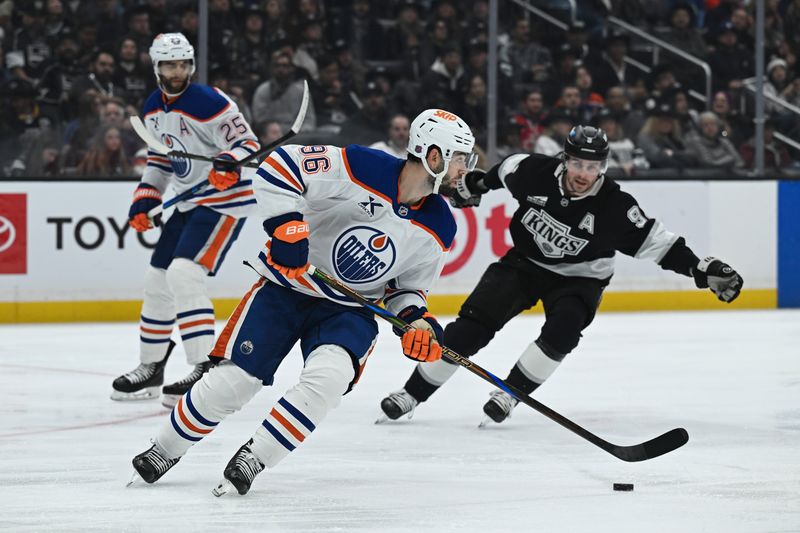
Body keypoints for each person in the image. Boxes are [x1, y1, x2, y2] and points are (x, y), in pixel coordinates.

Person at [128, 108, 477, 496]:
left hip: (351, 310)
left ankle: (255, 457)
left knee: (328, 381)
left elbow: (406, 290)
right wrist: (288, 230)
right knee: (234, 382)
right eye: (461, 158)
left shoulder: (441, 225)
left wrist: (417, 321)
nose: (466, 168)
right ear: (433, 156)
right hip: (286, 289)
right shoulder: (361, 165)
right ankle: (165, 449)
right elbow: (280, 167)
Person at [379, 125, 743, 425]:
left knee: (562, 332)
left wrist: (701, 269)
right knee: (470, 328)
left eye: (593, 167)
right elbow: (502, 172)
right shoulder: (532, 171)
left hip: (580, 279)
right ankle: (412, 394)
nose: (584, 174)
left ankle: (510, 394)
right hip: (523, 263)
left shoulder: (616, 207)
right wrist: (475, 185)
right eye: (578, 164)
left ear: (603, 166)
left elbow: (661, 246)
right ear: (565, 159)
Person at [110, 33, 260, 408]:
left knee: (183, 274)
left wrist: (229, 162)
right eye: (169, 65)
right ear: (156, 67)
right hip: (189, 202)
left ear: (190, 64)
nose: (177, 72)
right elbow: (160, 161)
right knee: (156, 279)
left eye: (182, 64)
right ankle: (152, 366)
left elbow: (248, 145)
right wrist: (145, 199)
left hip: (226, 202)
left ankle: (204, 369)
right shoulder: (151, 108)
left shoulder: (209, 102)